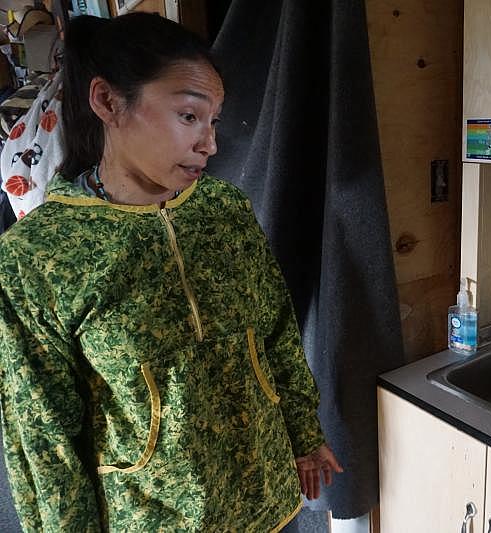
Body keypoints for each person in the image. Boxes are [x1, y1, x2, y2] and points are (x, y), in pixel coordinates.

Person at [0, 13, 342, 532]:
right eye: (189, 116)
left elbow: (275, 332)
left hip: (267, 495)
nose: (211, 144)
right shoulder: (38, 256)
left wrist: (304, 431)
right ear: (108, 102)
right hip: (155, 517)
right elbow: (44, 437)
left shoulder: (224, 210)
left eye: (214, 121)